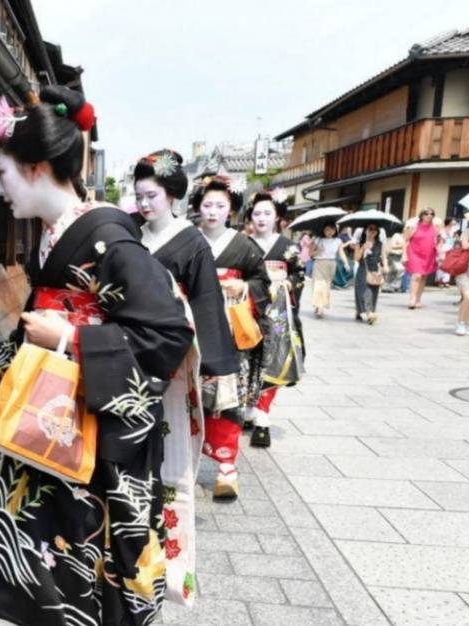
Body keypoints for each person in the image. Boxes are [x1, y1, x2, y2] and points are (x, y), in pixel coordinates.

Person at [0, 87, 193, 625]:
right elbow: (33, 336)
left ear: (36, 166)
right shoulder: (54, 242)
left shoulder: (110, 244)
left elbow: (168, 335)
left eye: (1, 174)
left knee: (88, 576)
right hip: (54, 431)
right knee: (36, 568)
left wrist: (72, 341)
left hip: (96, 444)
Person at [133, 149, 238, 604]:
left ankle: (169, 567)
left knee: (170, 463)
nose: (144, 203)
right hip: (126, 361)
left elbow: (206, 305)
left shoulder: (190, 242)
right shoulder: (128, 237)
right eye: (138, 195)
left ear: (173, 195)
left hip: (173, 367)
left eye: (152, 195)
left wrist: (213, 369)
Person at [195, 176, 271, 499]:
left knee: (227, 394)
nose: (212, 211)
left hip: (228, 328)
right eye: (207, 204)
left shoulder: (243, 246)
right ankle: (184, 462)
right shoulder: (188, 240)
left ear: (232, 210)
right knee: (190, 393)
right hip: (192, 323)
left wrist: (244, 287)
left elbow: (262, 282)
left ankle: (227, 467)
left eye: (220, 206)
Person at [244, 193, 305, 448]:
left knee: (274, 362)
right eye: (257, 213)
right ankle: (249, 408)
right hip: (249, 311)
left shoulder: (287, 247)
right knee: (247, 361)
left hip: (279, 313)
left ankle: (263, 417)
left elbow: (300, 273)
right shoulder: (243, 245)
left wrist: (286, 283)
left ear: (277, 217)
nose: (262, 218)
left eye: (267, 213)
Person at [404, 208, 440, 308]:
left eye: (432, 214)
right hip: (414, 254)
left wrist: (439, 247)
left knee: (424, 276)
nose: (429, 215)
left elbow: (439, 241)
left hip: (429, 255)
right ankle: (412, 300)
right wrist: (404, 254)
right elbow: (405, 240)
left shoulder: (435, 228)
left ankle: (418, 300)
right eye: (426, 213)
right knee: (417, 276)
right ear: (421, 215)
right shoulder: (414, 226)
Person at [311, 223, 349, 318]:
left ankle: (321, 305)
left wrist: (346, 263)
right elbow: (310, 254)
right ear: (323, 230)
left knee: (326, 286)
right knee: (318, 285)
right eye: (327, 229)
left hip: (331, 264)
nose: (330, 232)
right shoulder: (317, 240)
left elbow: (341, 253)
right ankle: (319, 307)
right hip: (319, 263)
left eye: (332, 229)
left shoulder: (338, 240)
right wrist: (318, 251)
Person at [353, 224, 389, 324]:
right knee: (364, 291)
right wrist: (363, 248)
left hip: (375, 270)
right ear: (365, 231)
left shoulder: (380, 244)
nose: (373, 231)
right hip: (363, 269)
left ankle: (364, 311)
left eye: (375, 230)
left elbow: (384, 256)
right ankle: (369, 314)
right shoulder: (360, 243)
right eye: (370, 229)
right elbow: (356, 258)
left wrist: (385, 266)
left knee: (374, 292)